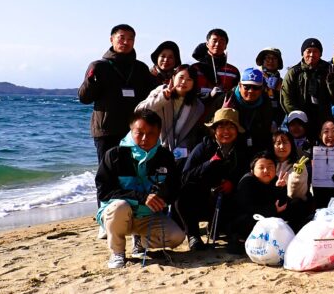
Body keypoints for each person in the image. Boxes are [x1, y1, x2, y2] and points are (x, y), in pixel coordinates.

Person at [95, 109, 185, 269]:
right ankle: (117, 252)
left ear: (159, 133)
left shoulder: (165, 156)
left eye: (151, 133)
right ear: (131, 130)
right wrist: (142, 197)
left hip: (147, 217)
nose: (145, 138)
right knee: (119, 206)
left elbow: (174, 187)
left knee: (177, 237)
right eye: (140, 132)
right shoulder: (114, 155)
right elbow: (104, 192)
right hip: (117, 214)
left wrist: (163, 195)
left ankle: (140, 241)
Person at [79, 24, 155, 164]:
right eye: (121, 38)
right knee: (108, 172)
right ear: (111, 39)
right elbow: (84, 98)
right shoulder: (99, 66)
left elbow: (151, 98)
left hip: (134, 130)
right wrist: (90, 81)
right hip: (107, 130)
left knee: (131, 172)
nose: (126, 42)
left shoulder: (141, 68)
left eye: (130, 39)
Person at [176, 108, 249, 251]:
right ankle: (193, 236)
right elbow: (185, 176)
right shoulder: (202, 147)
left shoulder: (242, 150)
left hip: (227, 200)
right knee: (183, 194)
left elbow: (245, 172)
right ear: (214, 130)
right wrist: (209, 164)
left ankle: (225, 229)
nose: (226, 132)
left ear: (237, 130)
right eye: (221, 127)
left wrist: (232, 183)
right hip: (202, 198)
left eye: (230, 127)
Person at [135, 64, 206, 165]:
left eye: (189, 79)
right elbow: (139, 111)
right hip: (151, 147)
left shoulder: (197, 106)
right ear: (173, 77)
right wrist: (163, 97)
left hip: (177, 155)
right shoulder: (161, 91)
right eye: (181, 77)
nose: (184, 82)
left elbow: (190, 135)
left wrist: (180, 152)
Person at [281, 38, 334, 141]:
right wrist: (299, 119)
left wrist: (332, 83)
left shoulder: (328, 70)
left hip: (322, 122)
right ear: (303, 53)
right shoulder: (293, 73)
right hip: (300, 123)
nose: (311, 54)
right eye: (308, 51)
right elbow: (286, 99)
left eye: (315, 51)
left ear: (320, 54)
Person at [229, 151, 292, 254]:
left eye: (270, 167)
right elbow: (247, 208)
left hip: (269, 216)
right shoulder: (247, 182)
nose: (266, 170)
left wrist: (279, 189)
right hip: (246, 219)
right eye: (261, 168)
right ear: (253, 170)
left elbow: (282, 205)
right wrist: (272, 210)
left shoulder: (276, 180)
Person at [223, 67, 283, 153]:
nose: (251, 91)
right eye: (247, 87)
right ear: (240, 85)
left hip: (257, 151)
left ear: (262, 88)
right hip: (230, 150)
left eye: (256, 87)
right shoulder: (226, 99)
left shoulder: (266, 102)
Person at [190, 29, 241, 117]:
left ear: (225, 46)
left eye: (222, 42)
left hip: (221, 120)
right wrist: (208, 95)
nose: (217, 44)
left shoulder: (233, 71)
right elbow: (188, 94)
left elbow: (236, 98)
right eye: (214, 41)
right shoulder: (195, 68)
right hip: (195, 118)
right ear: (207, 44)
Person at [255, 47, 284, 113]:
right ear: (262, 60)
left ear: (279, 62)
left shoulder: (283, 83)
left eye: (274, 58)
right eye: (268, 58)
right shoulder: (254, 80)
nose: (271, 61)